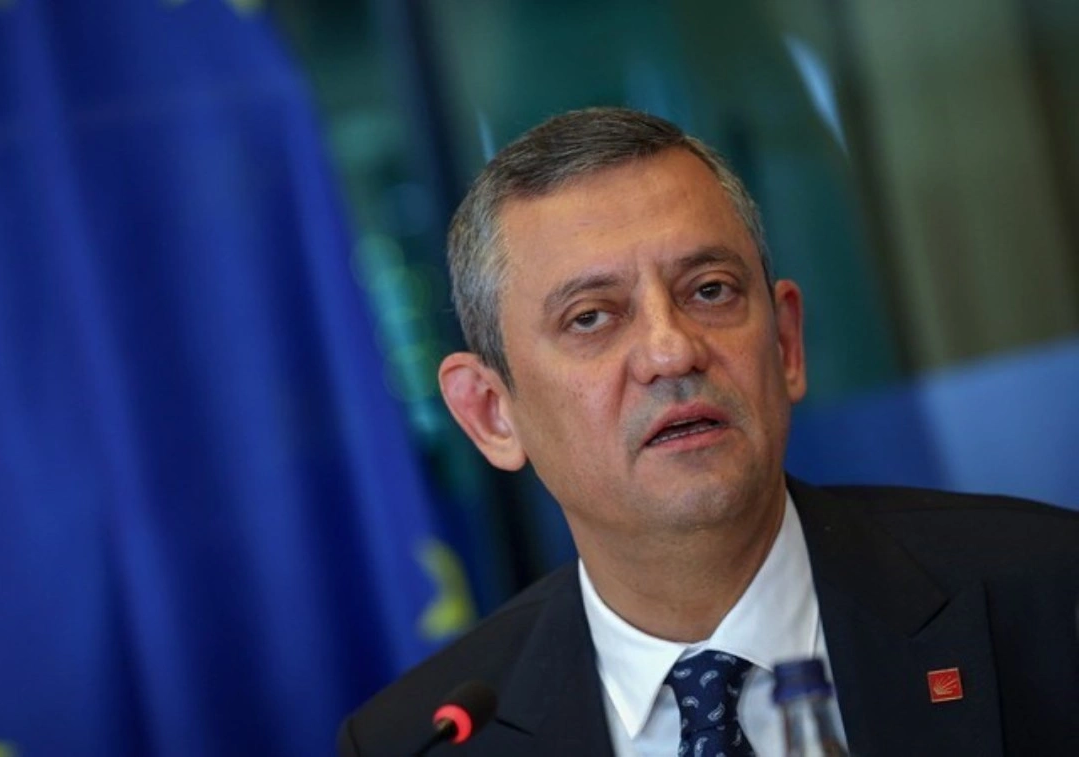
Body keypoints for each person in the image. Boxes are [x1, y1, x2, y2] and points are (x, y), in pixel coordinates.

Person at [337, 108, 1079, 756]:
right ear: (490, 413)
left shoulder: (1050, 596)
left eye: (710, 290)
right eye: (590, 317)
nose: (672, 351)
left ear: (785, 343)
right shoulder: (421, 741)